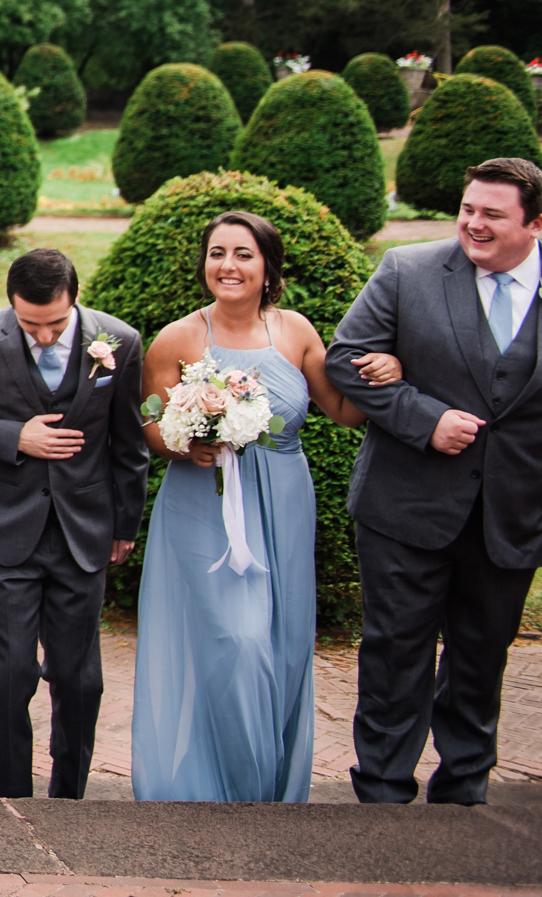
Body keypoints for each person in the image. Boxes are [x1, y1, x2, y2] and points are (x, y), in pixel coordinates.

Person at [131, 211, 377, 803]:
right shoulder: (177, 338)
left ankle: (271, 789)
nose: (228, 266)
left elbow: (345, 411)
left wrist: (386, 371)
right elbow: (148, 426)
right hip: (201, 505)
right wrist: (187, 437)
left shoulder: (295, 332)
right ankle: (220, 788)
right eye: (217, 253)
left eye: (243, 254)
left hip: (283, 503)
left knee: (281, 644)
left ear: (269, 267)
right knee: (233, 643)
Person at [328, 156, 542, 806]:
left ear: (535, 223)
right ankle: (383, 790)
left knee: (483, 655)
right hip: (406, 504)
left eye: (491, 215)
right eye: (467, 209)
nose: (472, 224)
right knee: (396, 654)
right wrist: (425, 418)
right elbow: (343, 360)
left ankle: (464, 789)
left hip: (512, 511)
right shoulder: (408, 271)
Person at [0, 247, 145, 800]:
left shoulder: (120, 341)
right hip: (7, 529)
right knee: (8, 676)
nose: (43, 336)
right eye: (29, 324)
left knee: (80, 679)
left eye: (56, 324)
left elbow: (130, 445)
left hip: (84, 533)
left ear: (75, 300)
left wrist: (124, 526)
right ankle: (12, 797)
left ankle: (70, 798)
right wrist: (15, 437)